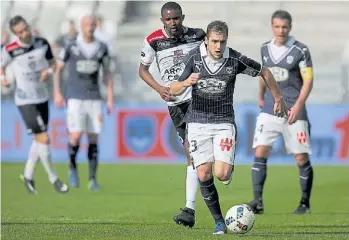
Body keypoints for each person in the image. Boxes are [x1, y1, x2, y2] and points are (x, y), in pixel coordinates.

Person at [170, 20, 288, 234]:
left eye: (222, 42)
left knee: (222, 175)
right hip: (197, 122)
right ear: (206, 40)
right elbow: (174, 88)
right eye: (214, 41)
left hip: (223, 122)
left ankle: (227, 168)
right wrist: (186, 83)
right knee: (204, 173)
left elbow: (266, 72)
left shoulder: (234, 59)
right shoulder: (194, 58)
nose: (218, 46)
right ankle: (219, 222)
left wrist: (278, 97)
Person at [138, 1, 205, 228]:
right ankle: (190, 209)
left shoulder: (198, 35)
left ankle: (189, 208)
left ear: (182, 17)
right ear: (162, 21)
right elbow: (142, 69)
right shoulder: (153, 41)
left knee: (193, 152)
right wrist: (159, 88)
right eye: (168, 19)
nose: (173, 22)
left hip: (198, 99)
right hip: (176, 104)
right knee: (192, 155)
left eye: (176, 18)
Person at [247, 10, 314, 215]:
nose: (281, 30)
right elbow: (263, 75)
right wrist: (260, 95)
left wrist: (298, 106)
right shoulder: (265, 49)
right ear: (272, 27)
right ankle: (257, 201)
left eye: (284, 27)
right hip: (270, 108)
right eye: (277, 26)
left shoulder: (301, 50)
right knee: (260, 151)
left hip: (294, 110)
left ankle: (304, 204)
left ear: (290, 27)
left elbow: (308, 81)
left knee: (301, 157)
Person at [0, 15, 69, 194]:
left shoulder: (42, 43)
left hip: (42, 98)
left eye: (26, 28)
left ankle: (28, 175)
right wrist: (3, 79)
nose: (25, 33)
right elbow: (1, 66)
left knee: (38, 141)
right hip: (25, 100)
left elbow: (54, 65)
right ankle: (54, 179)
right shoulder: (10, 49)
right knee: (44, 138)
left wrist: (47, 71)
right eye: (20, 32)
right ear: (15, 34)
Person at [54, 15, 114, 191]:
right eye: (87, 24)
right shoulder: (71, 46)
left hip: (94, 97)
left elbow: (108, 74)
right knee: (75, 136)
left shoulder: (102, 48)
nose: (90, 28)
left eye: (92, 25)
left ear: (96, 27)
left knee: (93, 137)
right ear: (81, 26)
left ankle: (92, 178)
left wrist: (110, 97)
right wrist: (57, 92)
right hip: (74, 97)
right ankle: (72, 168)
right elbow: (58, 69)